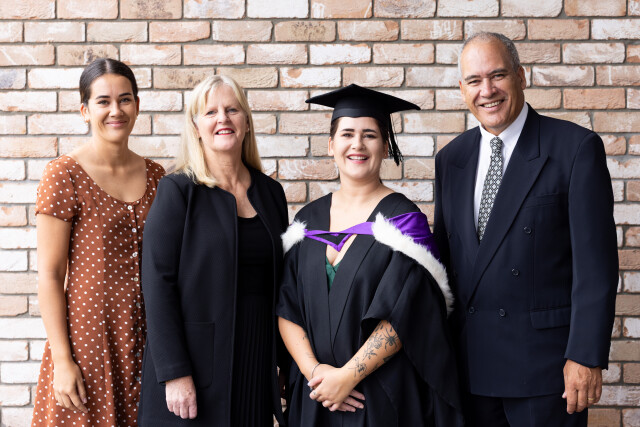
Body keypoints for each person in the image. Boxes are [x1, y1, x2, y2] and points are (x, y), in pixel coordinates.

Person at [434, 32, 619, 426]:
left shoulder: (575, 149)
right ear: (462, 89)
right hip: (469, 369)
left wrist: (585, 356)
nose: (487, 91)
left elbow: (596, 267)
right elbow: (446, 265)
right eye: (474, 81)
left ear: (520, 75)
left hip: (547, 373)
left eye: (498, 75)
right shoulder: (450, 159)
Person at [277, 84, 464, 426]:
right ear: (331, 145)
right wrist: (315, 373)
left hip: (379, 398)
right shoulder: (307, 222)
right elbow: (286, 307)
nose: (357, 144)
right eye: (347, 134)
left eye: (370, 135)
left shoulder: (403, 223)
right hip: (315, 396)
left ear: (385, 146)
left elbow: (408, 313)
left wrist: (347, 377)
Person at [138, 75, 288, 426]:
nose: (223, 118)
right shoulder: (177, 190)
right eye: (211, 112)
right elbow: (157, 284)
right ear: (196, 127)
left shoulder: (271, 194)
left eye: (232, 109)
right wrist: (174, 371)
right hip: (196, 366)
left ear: (246, 121)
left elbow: (283, 284)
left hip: (256, 360)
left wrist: (285, 362)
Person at [31, 58, 165, 427]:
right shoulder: (64, 174)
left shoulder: (157, 176)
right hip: (88, 342)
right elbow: (49, 275)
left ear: (137, 105)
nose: (115, 110)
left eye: (125, 99)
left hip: (149, 343)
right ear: (85, 110)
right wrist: (63, 360)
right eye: (103, 101)